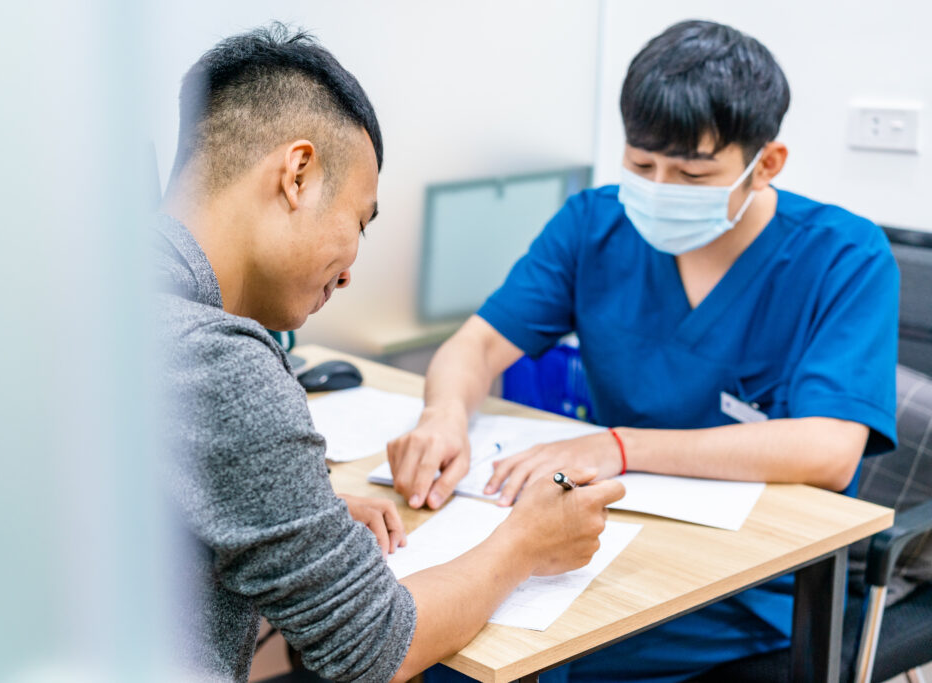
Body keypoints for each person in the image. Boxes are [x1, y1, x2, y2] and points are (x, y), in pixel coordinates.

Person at [389, 19, 899, 683]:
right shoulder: (594, 225)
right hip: (594, 539)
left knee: (504, 654)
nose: (658, 189)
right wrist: (442, 414)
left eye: (691, 172)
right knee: (447, 627)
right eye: (640, 166)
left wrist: (620, 445)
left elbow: (830, 451)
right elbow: (478, 345)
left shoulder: (845, 257)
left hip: (747, 584)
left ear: (765, 163)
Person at [155, 24, 625, 683]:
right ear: (297, 174)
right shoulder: (222, 363)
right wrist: (524, 543)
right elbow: (373, 647)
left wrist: (298, 524)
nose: (348, 273)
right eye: (359, 220)